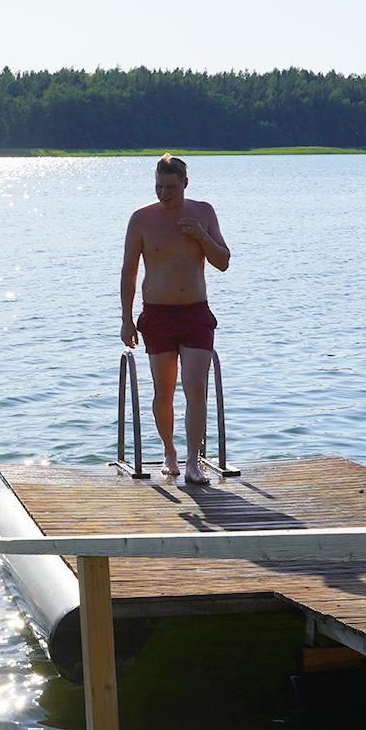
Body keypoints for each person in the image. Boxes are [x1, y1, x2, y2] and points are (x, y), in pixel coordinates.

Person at [120, 154, 231, 485]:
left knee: (196, 387)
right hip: (156, 314)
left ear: (185, 183)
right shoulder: (141, 219)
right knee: (163, 391)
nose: (164, 193)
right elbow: (129, 270)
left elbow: (222, 261)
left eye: (170, 187)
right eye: (158, 187)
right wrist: (126, 319)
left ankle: (193, 461)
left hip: (195, 312)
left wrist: (201, 235)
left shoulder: (203, 213)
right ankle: (170, 453)